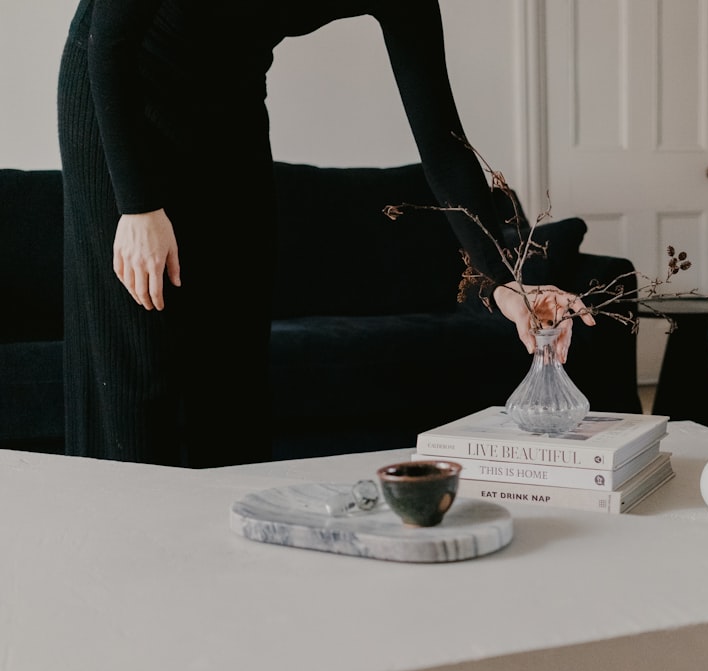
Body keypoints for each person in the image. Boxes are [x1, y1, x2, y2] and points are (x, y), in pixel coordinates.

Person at [58, 0, 592, 468]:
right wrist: (138, 206)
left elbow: (443, 140)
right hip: (122, 88)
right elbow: (110, 40)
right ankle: (130, 556)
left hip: (230, 99)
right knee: (141, 354)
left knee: (235, 359)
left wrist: (505, 280)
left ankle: (224, 562)